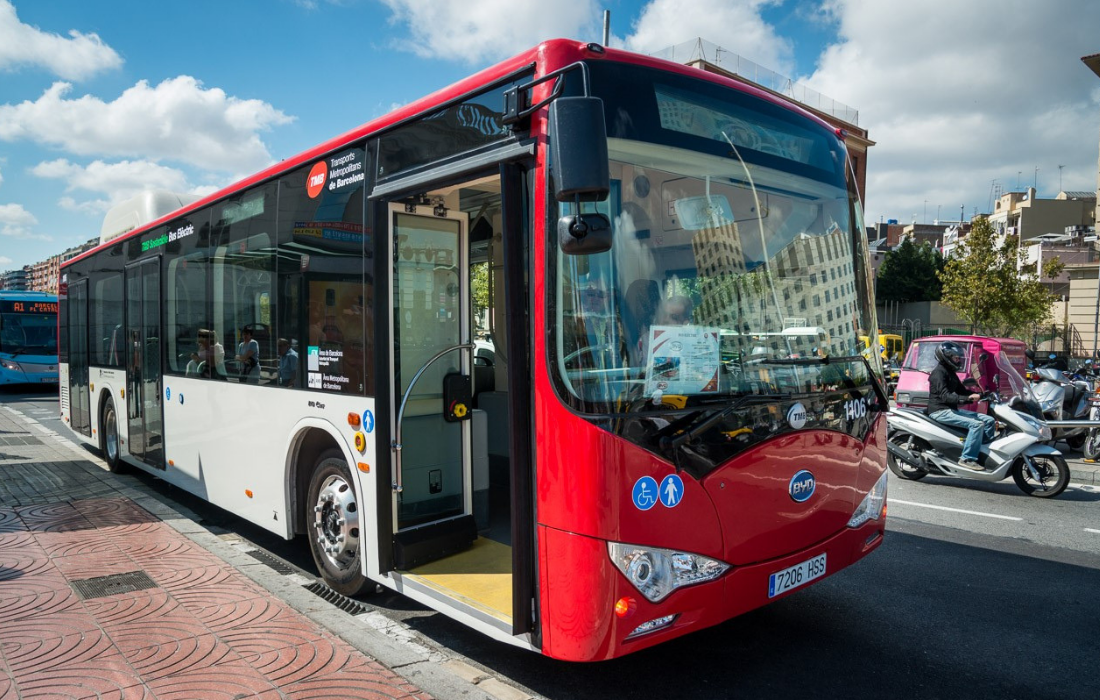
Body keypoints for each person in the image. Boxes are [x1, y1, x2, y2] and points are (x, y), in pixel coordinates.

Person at [927, 341, 995, 470]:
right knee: (977, 424)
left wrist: (982, 394)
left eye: (959, 358)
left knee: (989, 420)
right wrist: (968, 398)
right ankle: (967, 458)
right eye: (956, 357)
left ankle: (981, 451)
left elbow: (962, 391)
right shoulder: (938, 373)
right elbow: (946, 396)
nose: (958, 360)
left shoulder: (950, 372)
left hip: (950, 410)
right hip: (939, 411)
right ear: (946, 356)